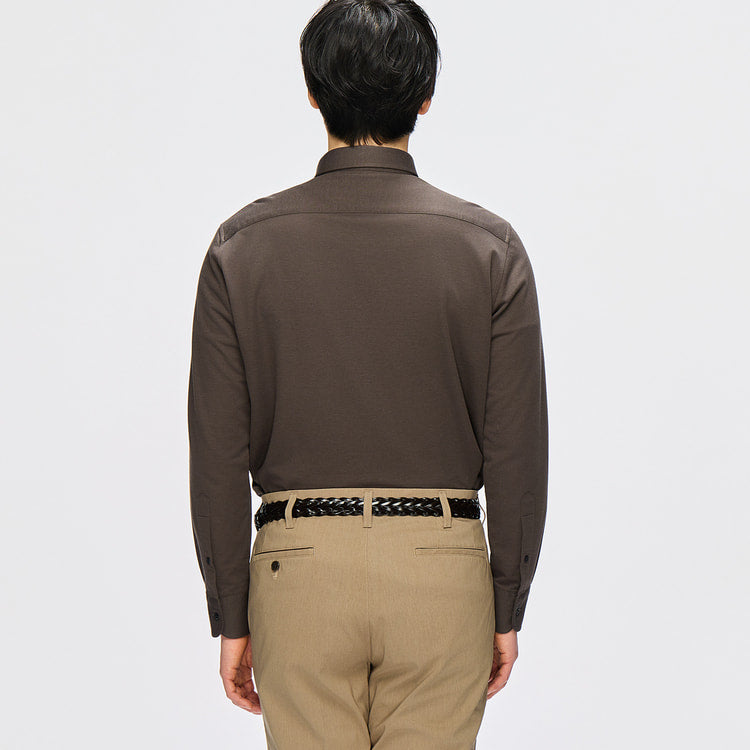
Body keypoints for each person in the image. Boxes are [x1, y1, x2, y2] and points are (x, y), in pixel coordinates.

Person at [187, 1, 548, 747]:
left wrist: (232, 613)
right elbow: (517, 447)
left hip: (297, 572)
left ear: (312, 91)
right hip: (441, 569)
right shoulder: (489, 248)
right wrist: (505, 602)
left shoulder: (241, 247)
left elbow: (216, 450)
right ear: (426, 95)